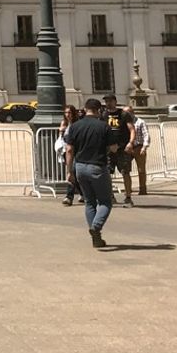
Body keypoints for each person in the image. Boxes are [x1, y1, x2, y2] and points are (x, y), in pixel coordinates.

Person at [64, 98, 118, 248]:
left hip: (80, 167)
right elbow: (113, 148)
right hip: (97, 166)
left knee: (89, 202)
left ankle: (96, 237)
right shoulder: (103, 126)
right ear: (99, 110)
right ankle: (96, 227)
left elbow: (69, 150)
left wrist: (69, 171)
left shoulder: (75, 126)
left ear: (85, 109)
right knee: (105, 201)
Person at [102, 94, 134, 206]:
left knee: (125, 172)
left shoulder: (124, 114)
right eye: (106, 101)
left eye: (110, 101)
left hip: (122, 148)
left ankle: (128, 196)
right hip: (108, 149)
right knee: (107, 173)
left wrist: (130, 143)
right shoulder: (103, 115)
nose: (108, 103)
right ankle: (110, 196)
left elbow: (131, 129)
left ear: (115, 101)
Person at [58, 105, 83, 207]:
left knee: (72, 173)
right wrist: (61, 130)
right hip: (66, 151)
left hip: (75, 151)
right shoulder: (64, 123)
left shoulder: (77, 124)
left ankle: (69, 196)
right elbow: (61, 137)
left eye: (70, 113)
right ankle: (82, 194)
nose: (68, 115)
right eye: (66, 113)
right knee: (72, 174)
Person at [125, 108, 151, 196]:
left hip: (138, 147)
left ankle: (142, 188)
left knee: (141, 169)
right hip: (128, 148)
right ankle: (128, 189)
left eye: (127, 113)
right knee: (125, 169)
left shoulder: (140, 122)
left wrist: (144, 147)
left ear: (132, 113)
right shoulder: (124, 122)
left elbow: (146, 135)